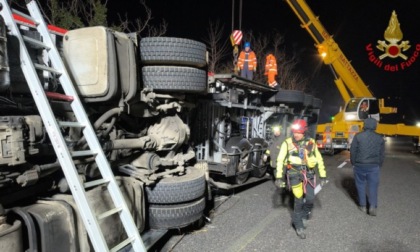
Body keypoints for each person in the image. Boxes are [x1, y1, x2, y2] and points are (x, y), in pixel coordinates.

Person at [275, 119, 327, 239]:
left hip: (308, 174)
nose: (296, 134)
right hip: (294, 174)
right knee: (298, 200)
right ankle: (298, 225)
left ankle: (304, 216)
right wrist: (279, 176)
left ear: (304, 132)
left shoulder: (310, 143)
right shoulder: (287, 143)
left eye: (298, 132)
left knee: (310, 199)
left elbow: (319, 159)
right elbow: (280, 160)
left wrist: (323, 175)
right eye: (294, 132)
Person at [350, 118, 384, 216]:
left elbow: (353, 151)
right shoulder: (380, 137)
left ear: (364, 125)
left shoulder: (358, 136)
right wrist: (379, 164)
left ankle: (363, 206)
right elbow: (382, 154)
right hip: (374, 166)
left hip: (359, 165)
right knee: (373, 186)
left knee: (360, 185)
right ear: (375, 126)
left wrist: (354, 163)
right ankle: (373, 206)